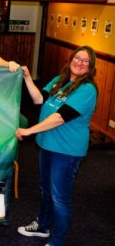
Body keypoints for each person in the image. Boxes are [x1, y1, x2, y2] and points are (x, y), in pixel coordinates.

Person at [15, 46, 98, 246]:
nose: (79, 63)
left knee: (60, 196)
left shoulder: (87, 89)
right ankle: (43, 227)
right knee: (46, 189)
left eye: (85, 61)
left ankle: (58, 241)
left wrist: (29, 130)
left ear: (91, 67)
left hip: (67, 151)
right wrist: (27, 77)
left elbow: (60, 118)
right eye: (77, 58)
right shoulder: (59, 80)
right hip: (48, 145)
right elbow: (39, 99)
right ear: (71, 59)